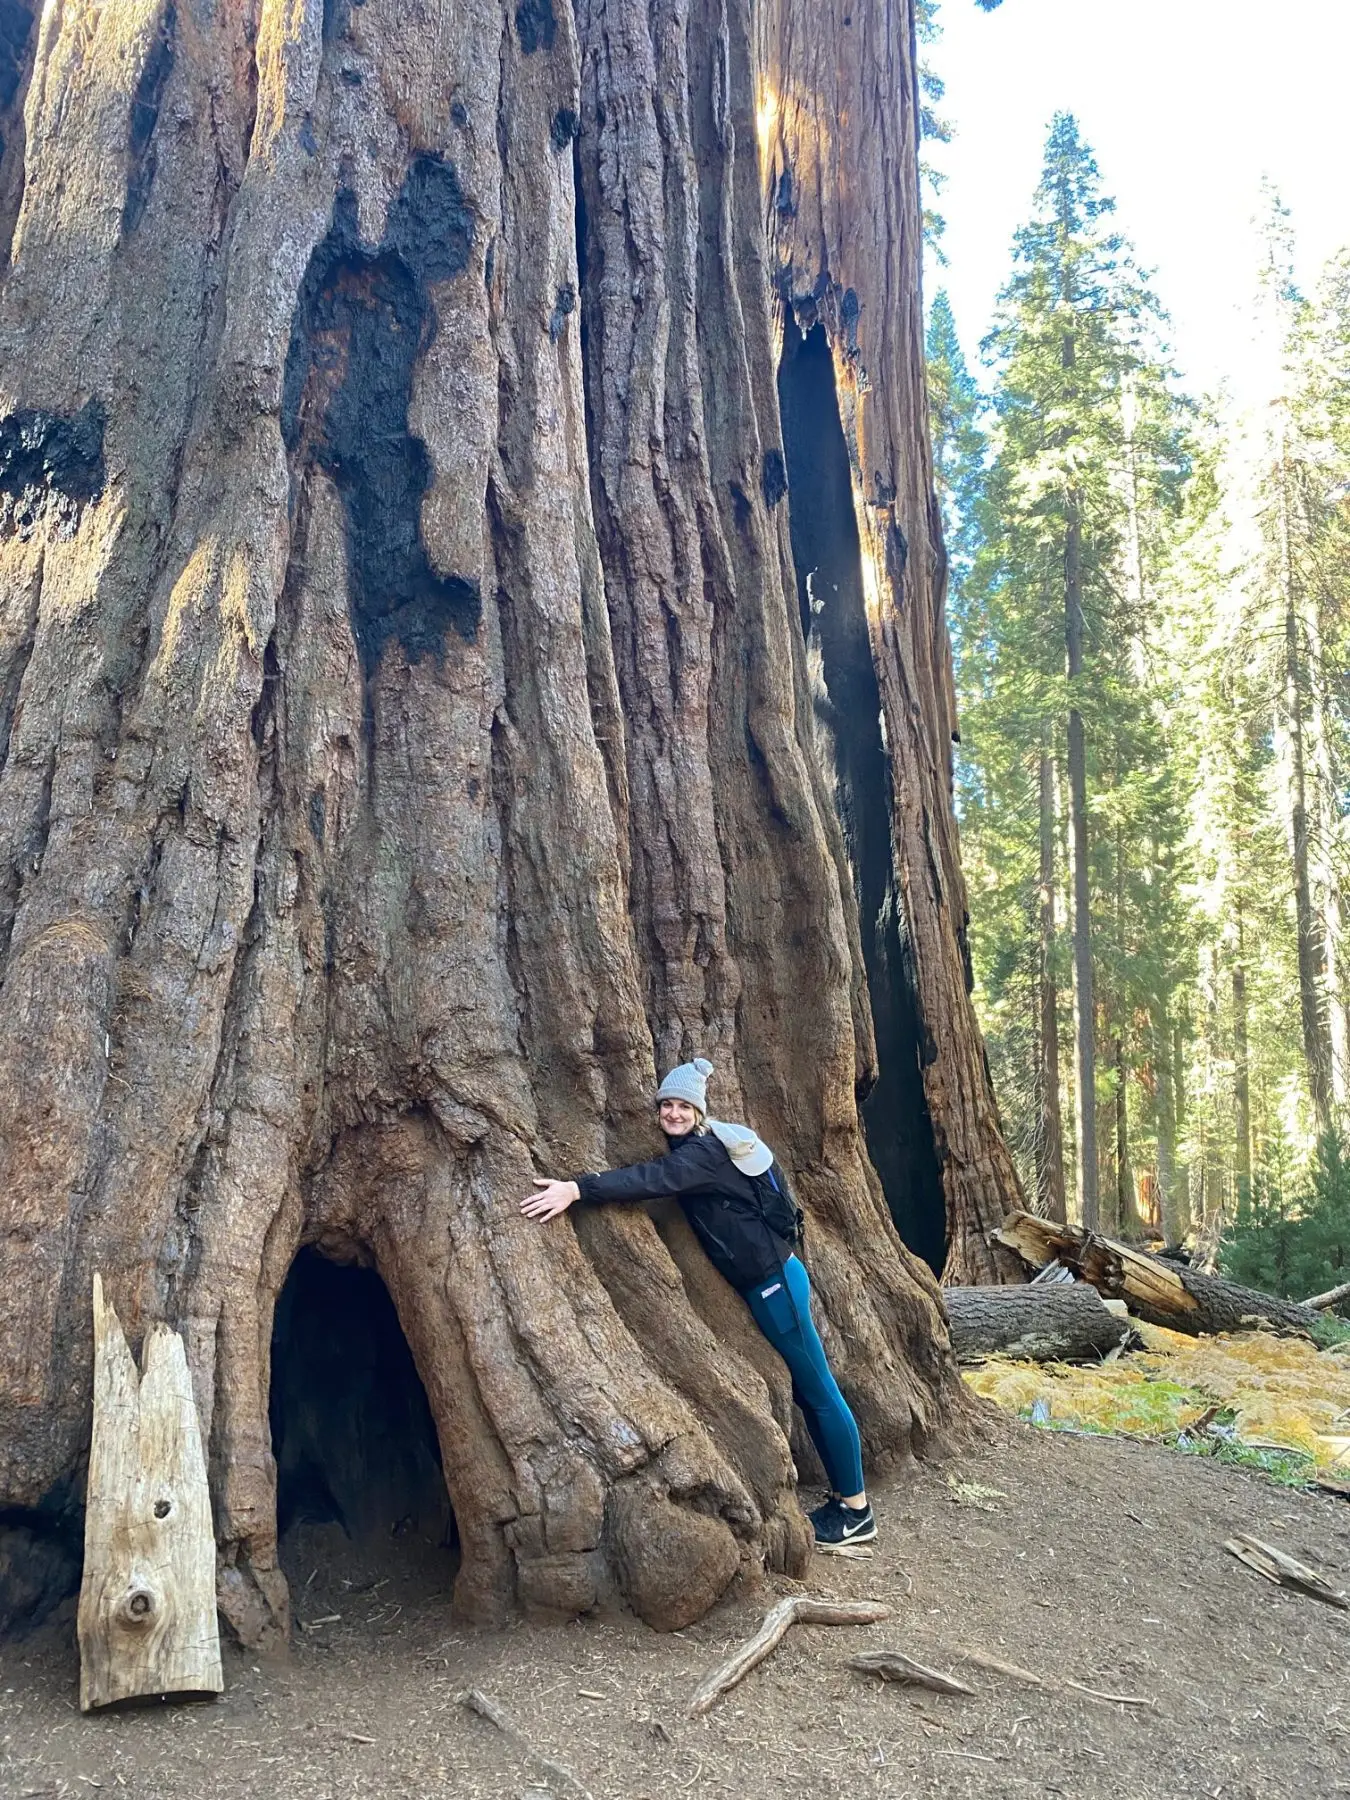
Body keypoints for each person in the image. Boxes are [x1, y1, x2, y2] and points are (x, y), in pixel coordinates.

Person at [520, 1057, 875, 1551]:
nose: (673, 1113)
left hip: (775, 1285)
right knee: (810, 1391)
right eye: (666, 1104)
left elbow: (652, 1178)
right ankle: (845, 1502)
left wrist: (578, 1188)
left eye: (683, 1105)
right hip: (769, 1281)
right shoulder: (710, 1145)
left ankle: (856, 1512)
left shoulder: (703, 1154)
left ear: (699, 1110)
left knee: (818, 1391)